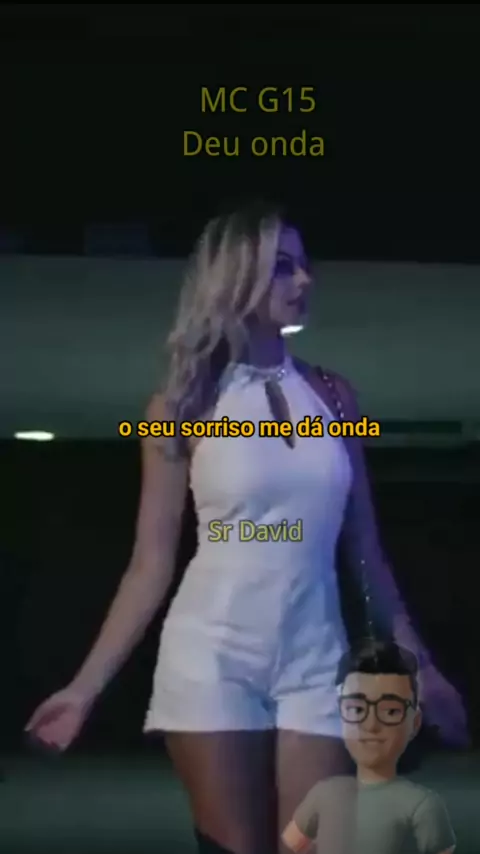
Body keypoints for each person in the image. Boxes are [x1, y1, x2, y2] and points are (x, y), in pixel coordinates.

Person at [25, 202, 468, 854]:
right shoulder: (180, 404)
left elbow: (366, 553)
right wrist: (84, 688)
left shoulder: (335, 397)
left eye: (304, 265)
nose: (305, 279)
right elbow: (150, 564)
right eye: (282, 266)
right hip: (213, 655)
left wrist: (419, 665)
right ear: (235, 275)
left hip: (316, 657)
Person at [282, 639, 456, 854]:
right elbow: (291, 845)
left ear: (415, 723)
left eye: (390, 711)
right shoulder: (324, 793)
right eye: (357, 710)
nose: (371, 724)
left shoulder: (422, 806)